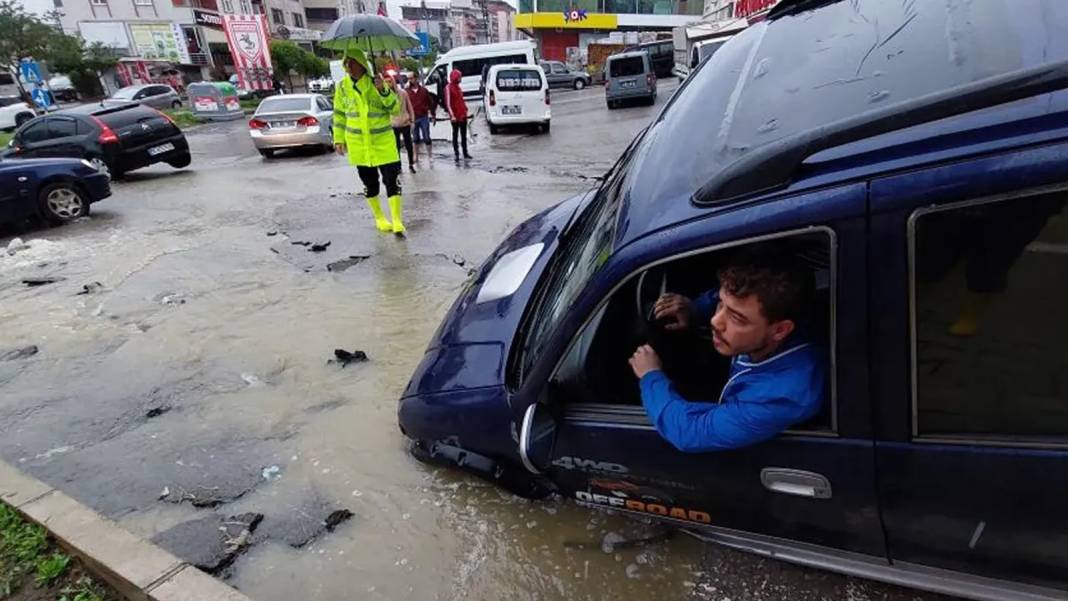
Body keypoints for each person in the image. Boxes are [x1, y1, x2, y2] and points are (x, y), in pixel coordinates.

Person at [627, 250, 827, 452]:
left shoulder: (781, 396)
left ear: (780, 330)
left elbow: (691, 431)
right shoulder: (768, 322)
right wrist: (694, 308)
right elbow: (726, 297)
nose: (715, 321)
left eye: (736, 318)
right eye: (721, 305)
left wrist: (650, 376)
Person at [332, 48, 407, 236]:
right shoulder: (342, 87)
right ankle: (380, 217)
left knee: (392, 180)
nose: (348, 66)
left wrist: (383, 90)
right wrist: (338, 139)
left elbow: (395, 108)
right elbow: (339, 115)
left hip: (383, 143)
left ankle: (396, 219)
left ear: (362, 63)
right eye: (346, 62)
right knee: (370, 184)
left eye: (352, 62)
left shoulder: (378, 83)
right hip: (359, 145)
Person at [444, 69, 472, 161]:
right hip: (455, 116)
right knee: (455, 134)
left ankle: (465, 152)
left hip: (462, 114)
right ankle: (456, 153)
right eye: (459, 77)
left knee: (463, 135)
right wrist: (452, 115)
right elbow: (448, 103)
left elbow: (461, 100)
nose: (461, 79)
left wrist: (465, 110)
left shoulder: (458, 87)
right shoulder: (448, 88)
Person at [391, 73, 416, 173]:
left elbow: (409, 107)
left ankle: (411, 164)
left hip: (405, 123)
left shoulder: (403, 93)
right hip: (393, 124)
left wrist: (412, 120)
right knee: (396, 147)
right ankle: (398, 166)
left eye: (390, 82)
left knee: (408, 144)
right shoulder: (386, 95)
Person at [407, 74, 432, 161]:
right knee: (415, 138)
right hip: (413, 118)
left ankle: (430, 156)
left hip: (423, 116)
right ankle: (415, 156)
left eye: (412, 78)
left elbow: (430, 102)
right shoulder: (407, 92)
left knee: (426, 136)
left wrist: (433, 114)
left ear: (416, 78)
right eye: (409, 79)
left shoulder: (424, 90)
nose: (410, 80)